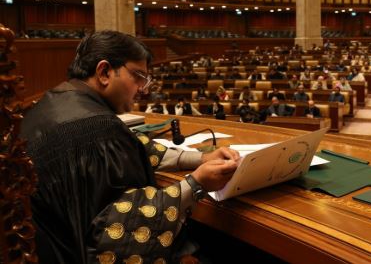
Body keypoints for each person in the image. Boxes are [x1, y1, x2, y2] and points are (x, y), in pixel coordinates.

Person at [21, 31, 239, 263]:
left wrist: (200, 158)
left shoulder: (53, 103)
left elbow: (131, 147)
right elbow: (119, 230)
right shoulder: (98, 127)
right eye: (138, 76)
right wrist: (196, 184)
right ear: (104, 72)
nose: (143, 89)